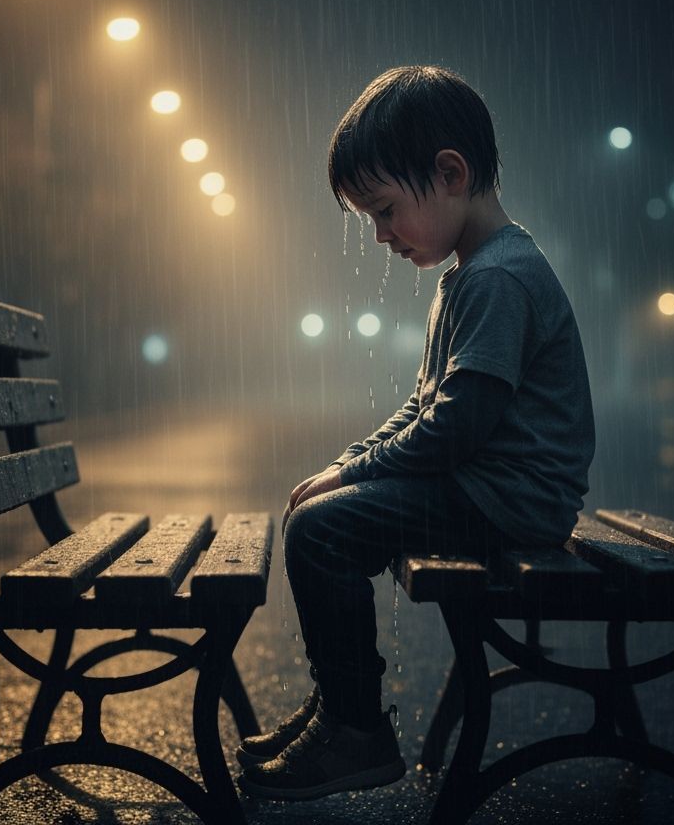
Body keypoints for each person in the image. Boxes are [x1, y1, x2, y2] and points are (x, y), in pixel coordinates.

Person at [237, 65, 595, 802]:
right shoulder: (472, 271)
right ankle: (341, 709)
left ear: (450, 174)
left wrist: (356, 475)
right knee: (323, 514)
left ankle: (354, 730)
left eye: (385, 210)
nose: (379, 236)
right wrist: (350, 462)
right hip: (490, 492)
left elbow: (454, 429)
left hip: (510, 503)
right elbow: (424, 405)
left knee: (321, 533)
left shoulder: (497, 279)